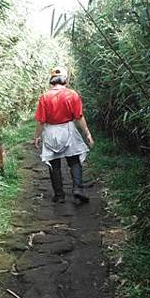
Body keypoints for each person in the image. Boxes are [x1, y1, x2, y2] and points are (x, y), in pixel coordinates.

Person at [33, 66, 94, 203]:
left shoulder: (44, 97)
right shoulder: (72, 94)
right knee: (74, 161)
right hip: (67, 129)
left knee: (54, 164)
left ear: (52, 80)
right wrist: (87, 134)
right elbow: (79, 117)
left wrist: (37, 137)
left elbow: (41, 121)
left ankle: (59, 195)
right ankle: (77, 188)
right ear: (65, 79)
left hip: (50, 131)